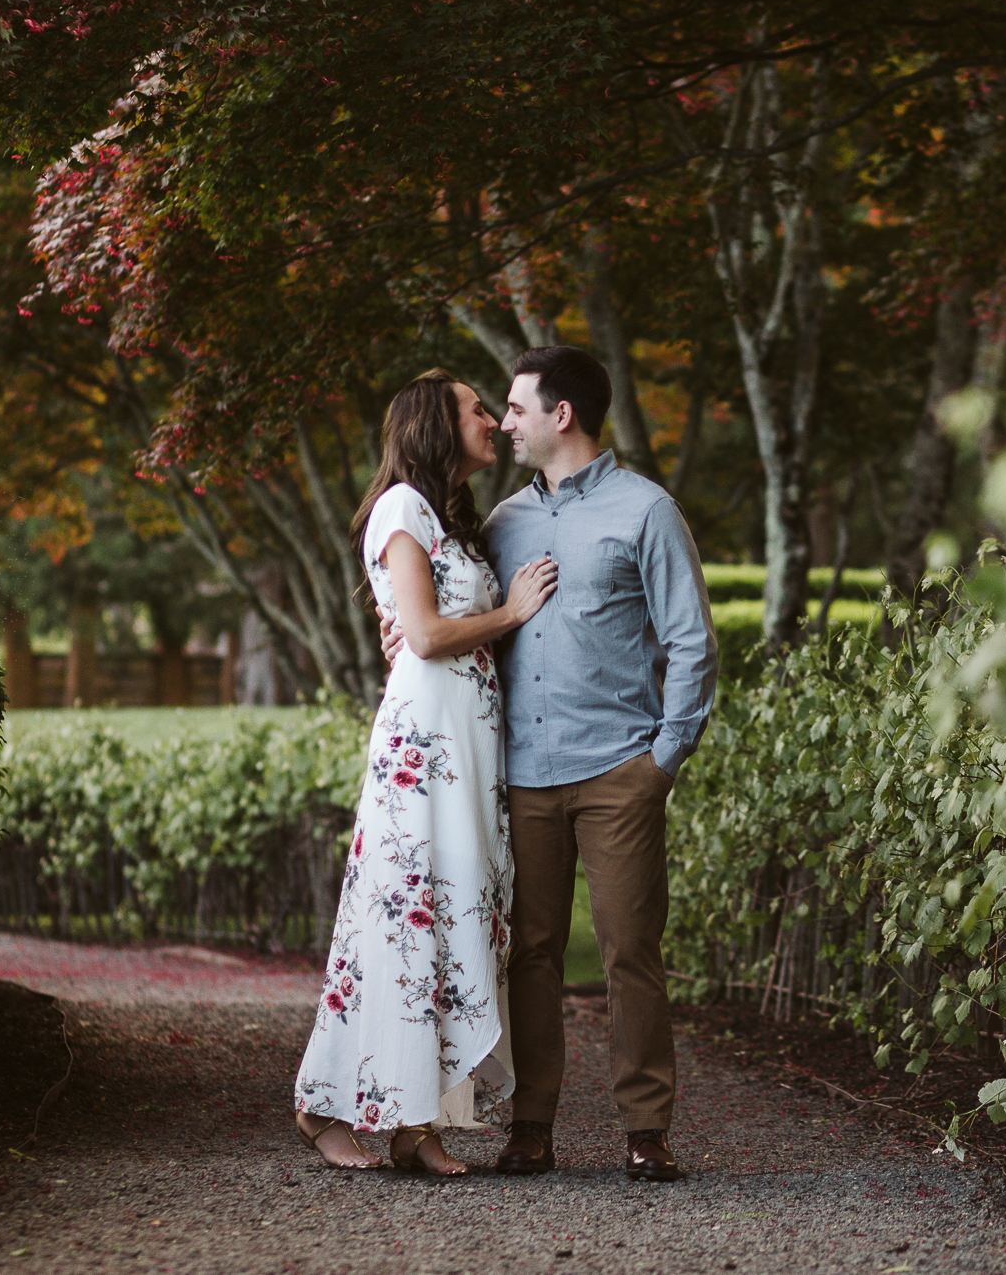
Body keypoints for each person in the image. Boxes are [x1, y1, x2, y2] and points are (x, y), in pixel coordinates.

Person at [382, 345, 718, 1183]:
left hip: (618, 772)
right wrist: (402, 637)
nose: (504, 421)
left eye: (517, 407)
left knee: (629, 949)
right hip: (520, 776)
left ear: (561, 413)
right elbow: (456, 617)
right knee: (528, 950)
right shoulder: (501, 523)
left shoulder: (648, 511)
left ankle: (646, 1129)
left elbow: (691, 642)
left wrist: (662, 761)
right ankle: (529, 1125)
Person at [293, 370, 559, 1175]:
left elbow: (434, 627)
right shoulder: (402, 506)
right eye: (478, 407)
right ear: (436, 424)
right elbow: (425, 631)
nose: (491, 419)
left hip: (465, 745)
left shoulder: (449, 517)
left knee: (448, 922)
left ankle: (417, 1119)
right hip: (423, 751)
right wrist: (510, 611)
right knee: (401, 920)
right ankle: (322, 1102)